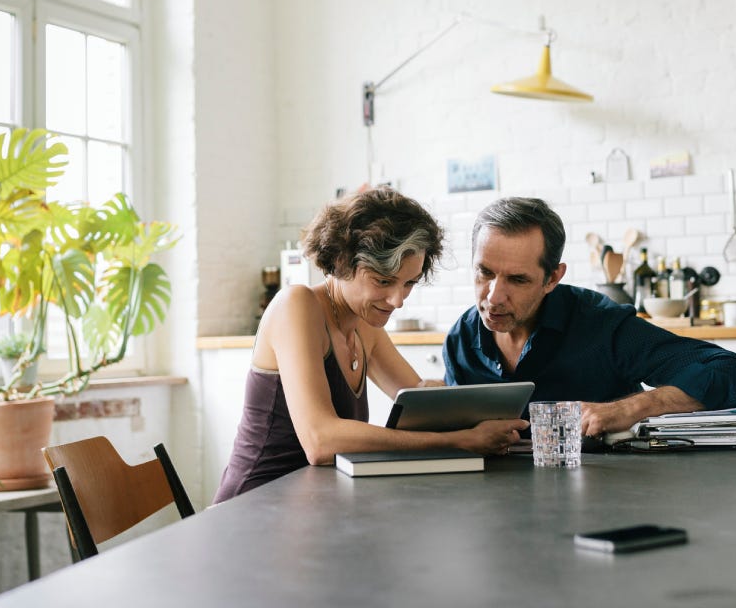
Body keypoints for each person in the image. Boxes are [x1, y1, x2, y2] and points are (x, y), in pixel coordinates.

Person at [215, 188, 527, 503]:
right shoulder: (296, 305)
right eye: (383, 281)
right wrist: (458, 440)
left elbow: (418, 402)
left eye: (409, 283)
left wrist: (478, 409)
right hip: (253, 504)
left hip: (312, 504)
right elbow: (321, 442)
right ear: (341, 261)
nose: (398, 300)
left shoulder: (365, 324)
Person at [444, 197, 736, 437]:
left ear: (552, 279)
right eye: (484, 273)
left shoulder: (602, 326)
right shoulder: (460, 339)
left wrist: (629, 408)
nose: (493, 297)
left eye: (518, 279)